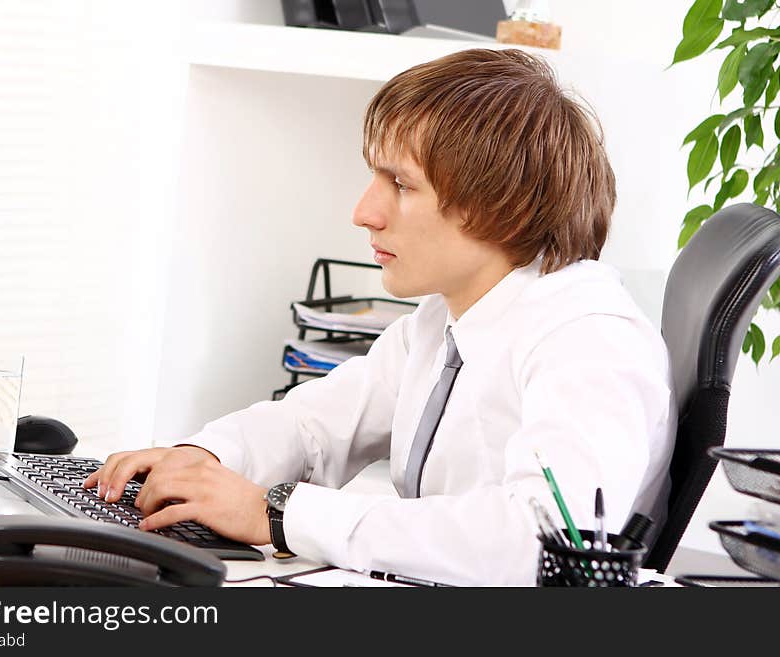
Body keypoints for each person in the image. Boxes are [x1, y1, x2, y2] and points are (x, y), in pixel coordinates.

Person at [83, 48, 676, 586]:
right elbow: (315, 423)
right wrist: (206, 459)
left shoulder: (589, 341)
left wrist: (279, 514)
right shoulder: (441, 322)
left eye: (400, 184)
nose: (364, 211)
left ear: (506, 209)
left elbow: (540, 543)